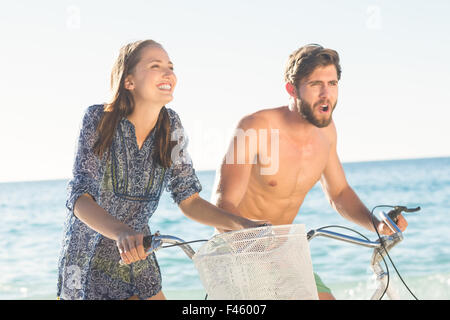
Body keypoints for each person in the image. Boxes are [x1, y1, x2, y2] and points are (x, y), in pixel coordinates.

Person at [57, 39, 269, 300]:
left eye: (170, 66)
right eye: (155, 66)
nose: (168, 73)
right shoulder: (98, 119)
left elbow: (188, 199)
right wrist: (121, 232)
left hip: (139, 253)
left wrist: (241, 224)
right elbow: (79, 198)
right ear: (129, 81)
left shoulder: (171, 126)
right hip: (87, 260)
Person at [211, 44, 408, 300]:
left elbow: (339, 192)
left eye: (333, 83)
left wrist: (377, 224)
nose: (326, 94)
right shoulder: (253, 127)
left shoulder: (326, 133)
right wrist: (256, 247)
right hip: (235, 254)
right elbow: (223, 203)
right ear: (291, 89)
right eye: (316, 84)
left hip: (282, 255)